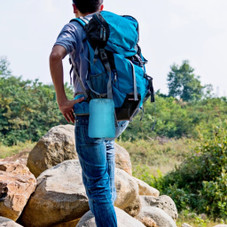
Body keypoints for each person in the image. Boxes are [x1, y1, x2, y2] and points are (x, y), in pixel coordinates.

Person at [49, 0, 128, 226]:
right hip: (118, 106)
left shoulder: (75, 26)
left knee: (96, 187)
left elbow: (55, 56)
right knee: (107, 145)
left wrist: (62, 100)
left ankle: (105, 214)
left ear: (74, 6)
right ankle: (105, 211)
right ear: (101, 6)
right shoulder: (112, 24)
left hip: (92, 109)